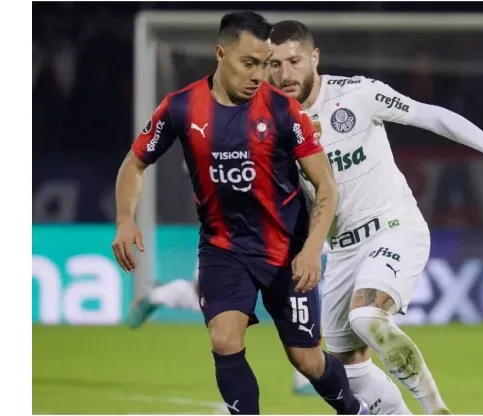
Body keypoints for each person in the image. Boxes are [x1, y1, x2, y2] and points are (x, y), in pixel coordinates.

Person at [266, 20, 483, 415]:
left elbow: (431, 116)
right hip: (339, 252)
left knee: (368, 316)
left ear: (314, 57)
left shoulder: (357, 95)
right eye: (275, 64)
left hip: (392, 226)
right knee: (344, 370)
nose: (285, 74)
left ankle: (436, 410)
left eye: (294, 61)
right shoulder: (267, 122)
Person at [112, 11, 368, 415]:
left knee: (307, 361)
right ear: (220, 54)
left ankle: (355, 410)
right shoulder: (180, 108)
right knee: (225, 340)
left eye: (265, 64)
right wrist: (125, 219)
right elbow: (135, 162)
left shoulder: (283, 110)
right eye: (250, 63)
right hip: (222, 248)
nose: (259, 74)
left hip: (287, 251)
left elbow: (326, 185)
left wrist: (312, 247)